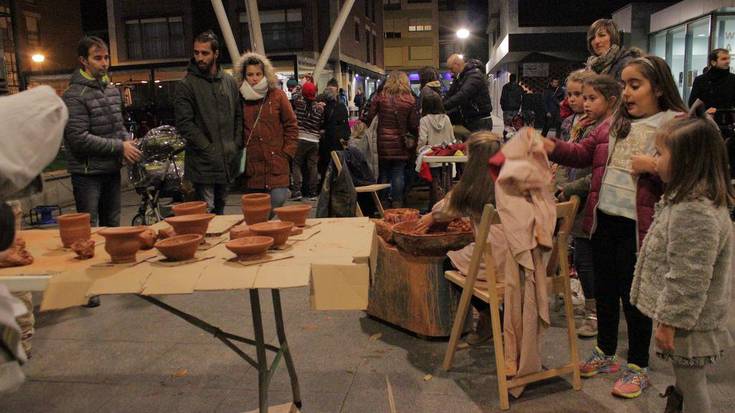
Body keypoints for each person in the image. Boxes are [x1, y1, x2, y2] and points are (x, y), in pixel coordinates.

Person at [543, 56, 687, 399]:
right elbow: (581, 153)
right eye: (623, 86)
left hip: (641, 228)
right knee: (605, 291)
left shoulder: (676, 125)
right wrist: (549, 146)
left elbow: (690, 171)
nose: (626, 93)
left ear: (660, 87)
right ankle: (606, 352)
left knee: (635, 297)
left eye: (634, 85)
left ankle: (638, 365)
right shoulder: (614, 124)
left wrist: (653, 164)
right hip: (603, 219)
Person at [630, 109, 734, 413]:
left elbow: (688, 277)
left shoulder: (694, 211)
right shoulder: (687, 200)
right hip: (688, 318)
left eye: (660, 154)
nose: (654, 160)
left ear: (686, 162)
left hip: (690, 321)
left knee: (692, 383)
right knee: (685, 379)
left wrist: (670, 323)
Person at [63, 37, 140, 308]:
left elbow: (116, 125)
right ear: (83, 60)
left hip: (109, 168)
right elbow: (77, 138)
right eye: (98, 58)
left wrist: (127, 142)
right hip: (86, 173)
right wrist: (119, 146)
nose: (104, 63)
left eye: (106, 57)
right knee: (90, 230)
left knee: (113, 224)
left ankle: (111, 276)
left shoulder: (110, 89)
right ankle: (87, 286)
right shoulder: (74, 95)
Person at [415, 131, 502, 344]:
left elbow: (442, 210)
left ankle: (489, 313)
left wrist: (431, 216)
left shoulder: (472, 187)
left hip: (494, 260)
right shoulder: (514, 178)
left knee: (448, 263)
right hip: (524, 258)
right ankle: (502, 312)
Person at [556, 72, 616, 340]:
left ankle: (596, 312)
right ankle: (594, 305)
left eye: (584, 95)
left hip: (591, 197)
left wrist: (569, 188)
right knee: (580, 255)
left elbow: (599, 170)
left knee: (587, 258)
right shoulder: (573, 122)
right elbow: (568, 157)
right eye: (571, 94)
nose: (577, 100)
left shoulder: (605, 127)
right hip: (575, 195)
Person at [174, 30, 243, 215]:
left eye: (205, 53)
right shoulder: (186, 85)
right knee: (207, 213)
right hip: (202, 165)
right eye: (196, 52)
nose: (199, 57)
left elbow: (238, 115)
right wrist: (208, 149)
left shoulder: (228, 82)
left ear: (216, 54)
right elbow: (185, 124)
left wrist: (235, 145)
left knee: (219, 210)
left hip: (226, 161)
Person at [236, 52, 298, 209]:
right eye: (250, 74)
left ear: (265, 74)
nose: (254, 78)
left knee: (277, 200)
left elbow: (291, 124)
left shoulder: (277, 95)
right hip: (252, 168)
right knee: (256, 212)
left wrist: (287, 153)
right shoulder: (239, 98)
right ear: (244, 76)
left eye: (258, 74)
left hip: (276, 163)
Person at [361, 71, 419, 208]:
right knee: (398, 173)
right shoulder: (410, 100)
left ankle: (383, 203)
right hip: (400, 142)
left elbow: (369, 117)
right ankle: (397, 203)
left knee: (383, 172)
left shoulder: (380, 97)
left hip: (382, 142)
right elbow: (413, 124)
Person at [417, 92, 455, 208]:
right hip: (446, 156)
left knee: (434, 185)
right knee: (447, 185)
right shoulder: (447, 119)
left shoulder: (424, 120)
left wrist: (418, 150)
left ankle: (434, 208)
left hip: (431, 157)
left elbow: (423, 139)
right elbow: (452, 138)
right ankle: (448, 207)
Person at [290, 81, 324, 200]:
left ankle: (297, 191)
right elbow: (321, 124)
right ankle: (313, 192)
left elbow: (294, 94)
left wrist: (301, 84)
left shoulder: (299, 103)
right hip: (314, 140)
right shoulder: (319, 108)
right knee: (313, 166)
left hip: (300, 138)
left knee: (296, 163)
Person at [444, 54, 493, 133]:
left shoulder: (474, 75)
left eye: (451, 68)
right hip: (472, 120)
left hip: (480, 121)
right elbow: (450, 94)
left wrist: (444, 106)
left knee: (478, 145)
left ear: (457, 64)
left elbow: (463, 95)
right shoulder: (461, 77)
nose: (450, 72)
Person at [318, 78, 351, 189]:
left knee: (324, 165)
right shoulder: (341, 106)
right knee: (337, 165)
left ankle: (324, 186)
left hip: (324, 140)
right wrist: (345, 137)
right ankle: (336, 187)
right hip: (336, 141)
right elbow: (345, 125)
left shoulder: (320, 105)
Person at [688, 48, 735, 116]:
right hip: (705, 123)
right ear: (713, 62)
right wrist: (704, 113)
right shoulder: (701, 80)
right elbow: (693, 104)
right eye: (724, 59)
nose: (728, 61)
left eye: (728, 58)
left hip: (728, 123)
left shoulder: (733, 79)